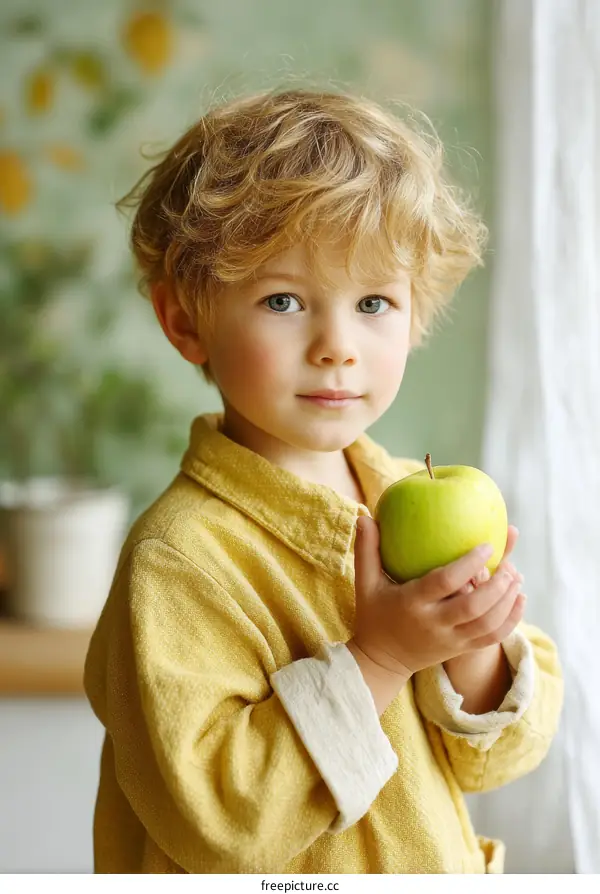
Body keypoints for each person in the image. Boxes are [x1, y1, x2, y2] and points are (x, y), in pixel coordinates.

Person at [83, 87, 564, 874]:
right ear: (185, 322)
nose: (337, 345)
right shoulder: (179, 559)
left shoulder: (405, 491)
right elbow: (217, 821)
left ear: (415, 316)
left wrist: (471, 652)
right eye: (283, 300)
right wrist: (378, 659)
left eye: (374, 300)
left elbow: (500, 760)